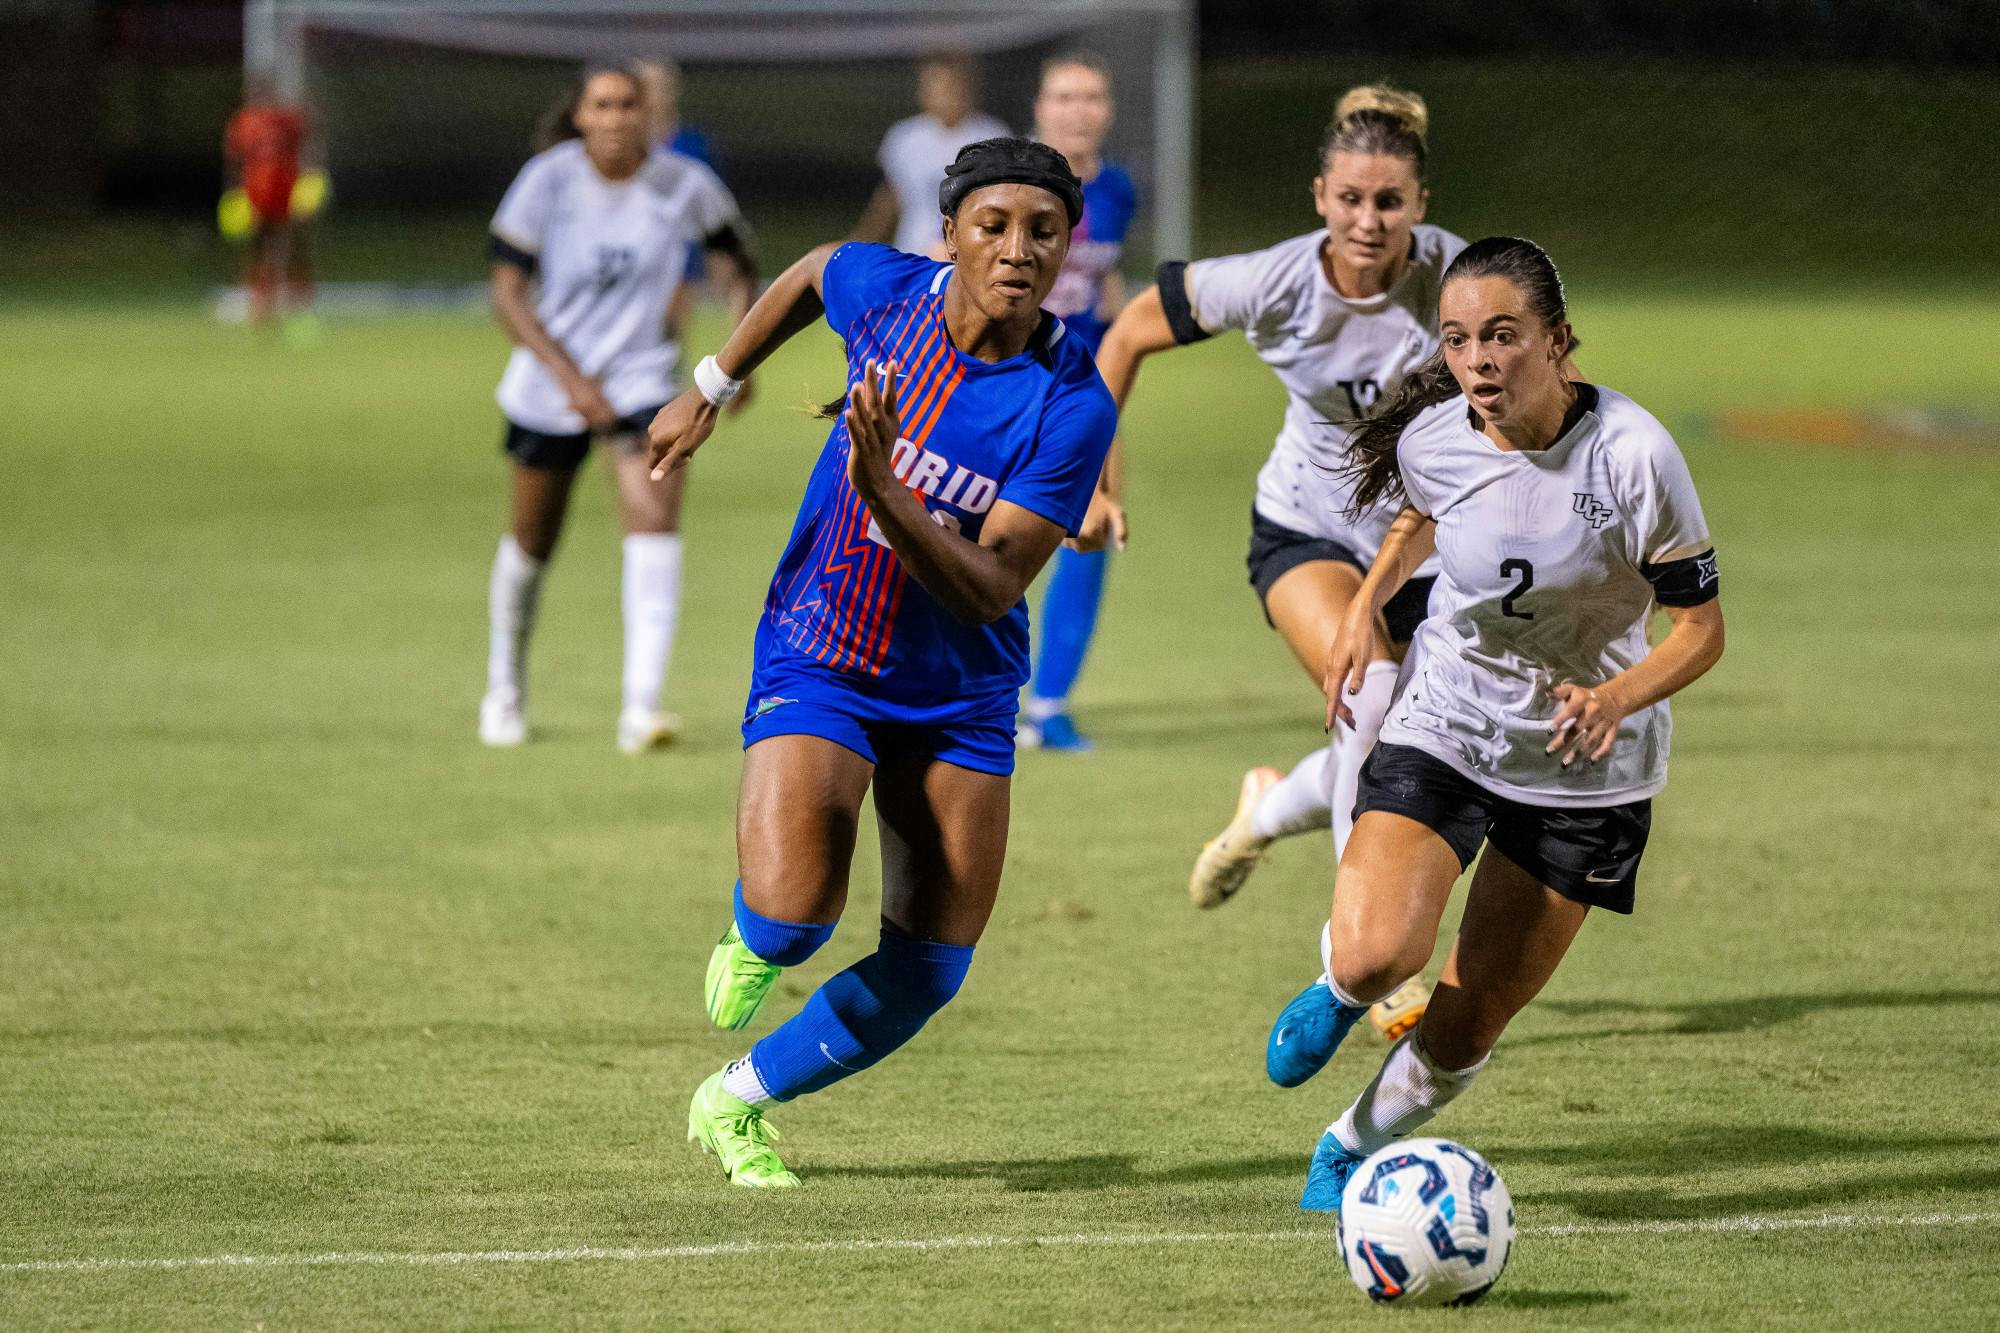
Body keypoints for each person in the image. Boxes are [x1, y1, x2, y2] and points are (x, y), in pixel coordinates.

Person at [645, 139, 1114, 1188]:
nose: (1016, 250)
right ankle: (756, 930)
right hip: (826, 648)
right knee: (794, 916)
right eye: (991, 225)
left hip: (961, 691)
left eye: (1042, 231)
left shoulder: (1071, 401)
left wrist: (888, 490)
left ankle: (734, 1100)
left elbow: (991, 585)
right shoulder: (889, 291)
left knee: (930, 969)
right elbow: (815, 268)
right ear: (946, 233)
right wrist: (710, 385)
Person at [1268, 236, 1723, 1209]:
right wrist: (1362, 605)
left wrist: (1614, 696)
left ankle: (1347, 1144)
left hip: (1585, 770)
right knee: (1374, 953)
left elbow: (1700, 629)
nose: (1476, 360)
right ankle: (1340, 992)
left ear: (1558, 343)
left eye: (1503, 336)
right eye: (1458, 339)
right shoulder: (1437, 435)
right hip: (1450, 722)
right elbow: (1417, 513)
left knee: (1467, 1021)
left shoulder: (1634, 456)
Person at [1089, 86, 1462, 905]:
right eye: (1351, 199)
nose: (1369, 220)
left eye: (1390, 202)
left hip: (1434, 545)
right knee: (1366, 698)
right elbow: (1124, 336)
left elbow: (1556, 387)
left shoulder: (1460, 282)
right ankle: (1370, 966)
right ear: (1321, 197)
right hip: (1308, 527)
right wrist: (1092, 481)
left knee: (1445, 744)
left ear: (1420, 206)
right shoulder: (1272, 282)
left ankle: (1267, 808)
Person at [481, 62, 757, 753]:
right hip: (550, 386)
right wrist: (570, 379)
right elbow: (508, 294)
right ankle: (504, 689)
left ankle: (642, 707)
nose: (616, 117)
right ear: (580, 115)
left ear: (647, 114)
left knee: (655, 517)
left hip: (641, 382)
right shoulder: (547, 180)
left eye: (628, 104)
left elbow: (735, 261)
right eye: (601, 105)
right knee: (532, 542)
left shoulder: (682, 183)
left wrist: (738, 348)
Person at [1016, 51, 1139, 752]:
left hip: (1078, 392)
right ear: (1041, 107)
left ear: (1107, 109)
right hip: (1003, 384)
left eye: (1091, 96)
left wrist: (1119, 362)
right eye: (1064, 96)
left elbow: (1105, 281)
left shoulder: (1116, 190)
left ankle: (1050, 705)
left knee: (1093, 530)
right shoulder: (1012, 179)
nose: (1078, 109)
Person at [853, 53, 1008, 259]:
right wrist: (862, 240)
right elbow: (892, 197)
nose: (945, 98)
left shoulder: (992, 135)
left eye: (951, 89)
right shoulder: (905, 137)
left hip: (970, 258)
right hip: (912, 252)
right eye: (936, 89)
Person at [632, 57, 728, 345]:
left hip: (682, 250)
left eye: (662, 86)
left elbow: (714, 207)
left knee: (669, 335)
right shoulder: (626, 144)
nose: (655, 94)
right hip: (634, 248)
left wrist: (717, 261)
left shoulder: (693, 144)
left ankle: (667, 381)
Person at [223, 79, 314, 330]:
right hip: (256, 193)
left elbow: (306, 146)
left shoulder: (287, 119)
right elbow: (234, 159)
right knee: (259, 245)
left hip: (285, 190)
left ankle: (300, 298)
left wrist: (306, 187)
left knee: (295, 243)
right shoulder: (244, 121)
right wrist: (235, 195)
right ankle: (261, 302)